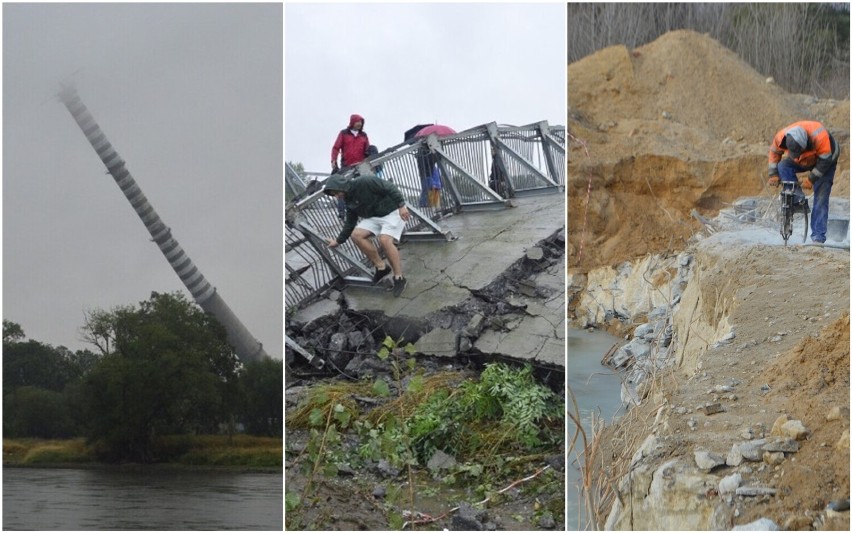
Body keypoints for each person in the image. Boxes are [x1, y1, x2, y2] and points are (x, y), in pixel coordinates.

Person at [323, 173, 411, 297]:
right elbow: (350, 222)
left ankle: (399, 278)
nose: (337, 197)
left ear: (341, 186)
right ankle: (381, 267)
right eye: (334, 195)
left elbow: (390, 187)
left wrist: (402, 206)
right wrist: (338, 240)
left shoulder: (365, 181)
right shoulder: (348, 199)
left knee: (384, 240)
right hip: (374, 217)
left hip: (393, 211)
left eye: (337, 193)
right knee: (356, 235)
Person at [768, 120, 840, 244]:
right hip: (806, 159)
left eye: (798, 153)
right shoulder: (781, 137)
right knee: (783, 166)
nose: (795, 157)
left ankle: (818, 238)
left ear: (805, 144)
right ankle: (797, 199)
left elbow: (825, 161)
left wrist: (811, 179)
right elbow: (774, 152)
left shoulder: (819, 137)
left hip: (826, 160)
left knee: (821, 197)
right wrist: (773, 174)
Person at [331, 114, 371, 219]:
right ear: (353, 122)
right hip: (346, 165)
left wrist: (370, 156)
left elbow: (368, 149)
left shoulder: (364, 135)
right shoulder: (343, 133)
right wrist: (333, 160)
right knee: (342, 190)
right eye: (358, 122)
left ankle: (365, 211)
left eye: (361, 122)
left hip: (361, 165)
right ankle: (341, 213)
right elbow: (336, 148)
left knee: (364, 188)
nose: (360, 124)